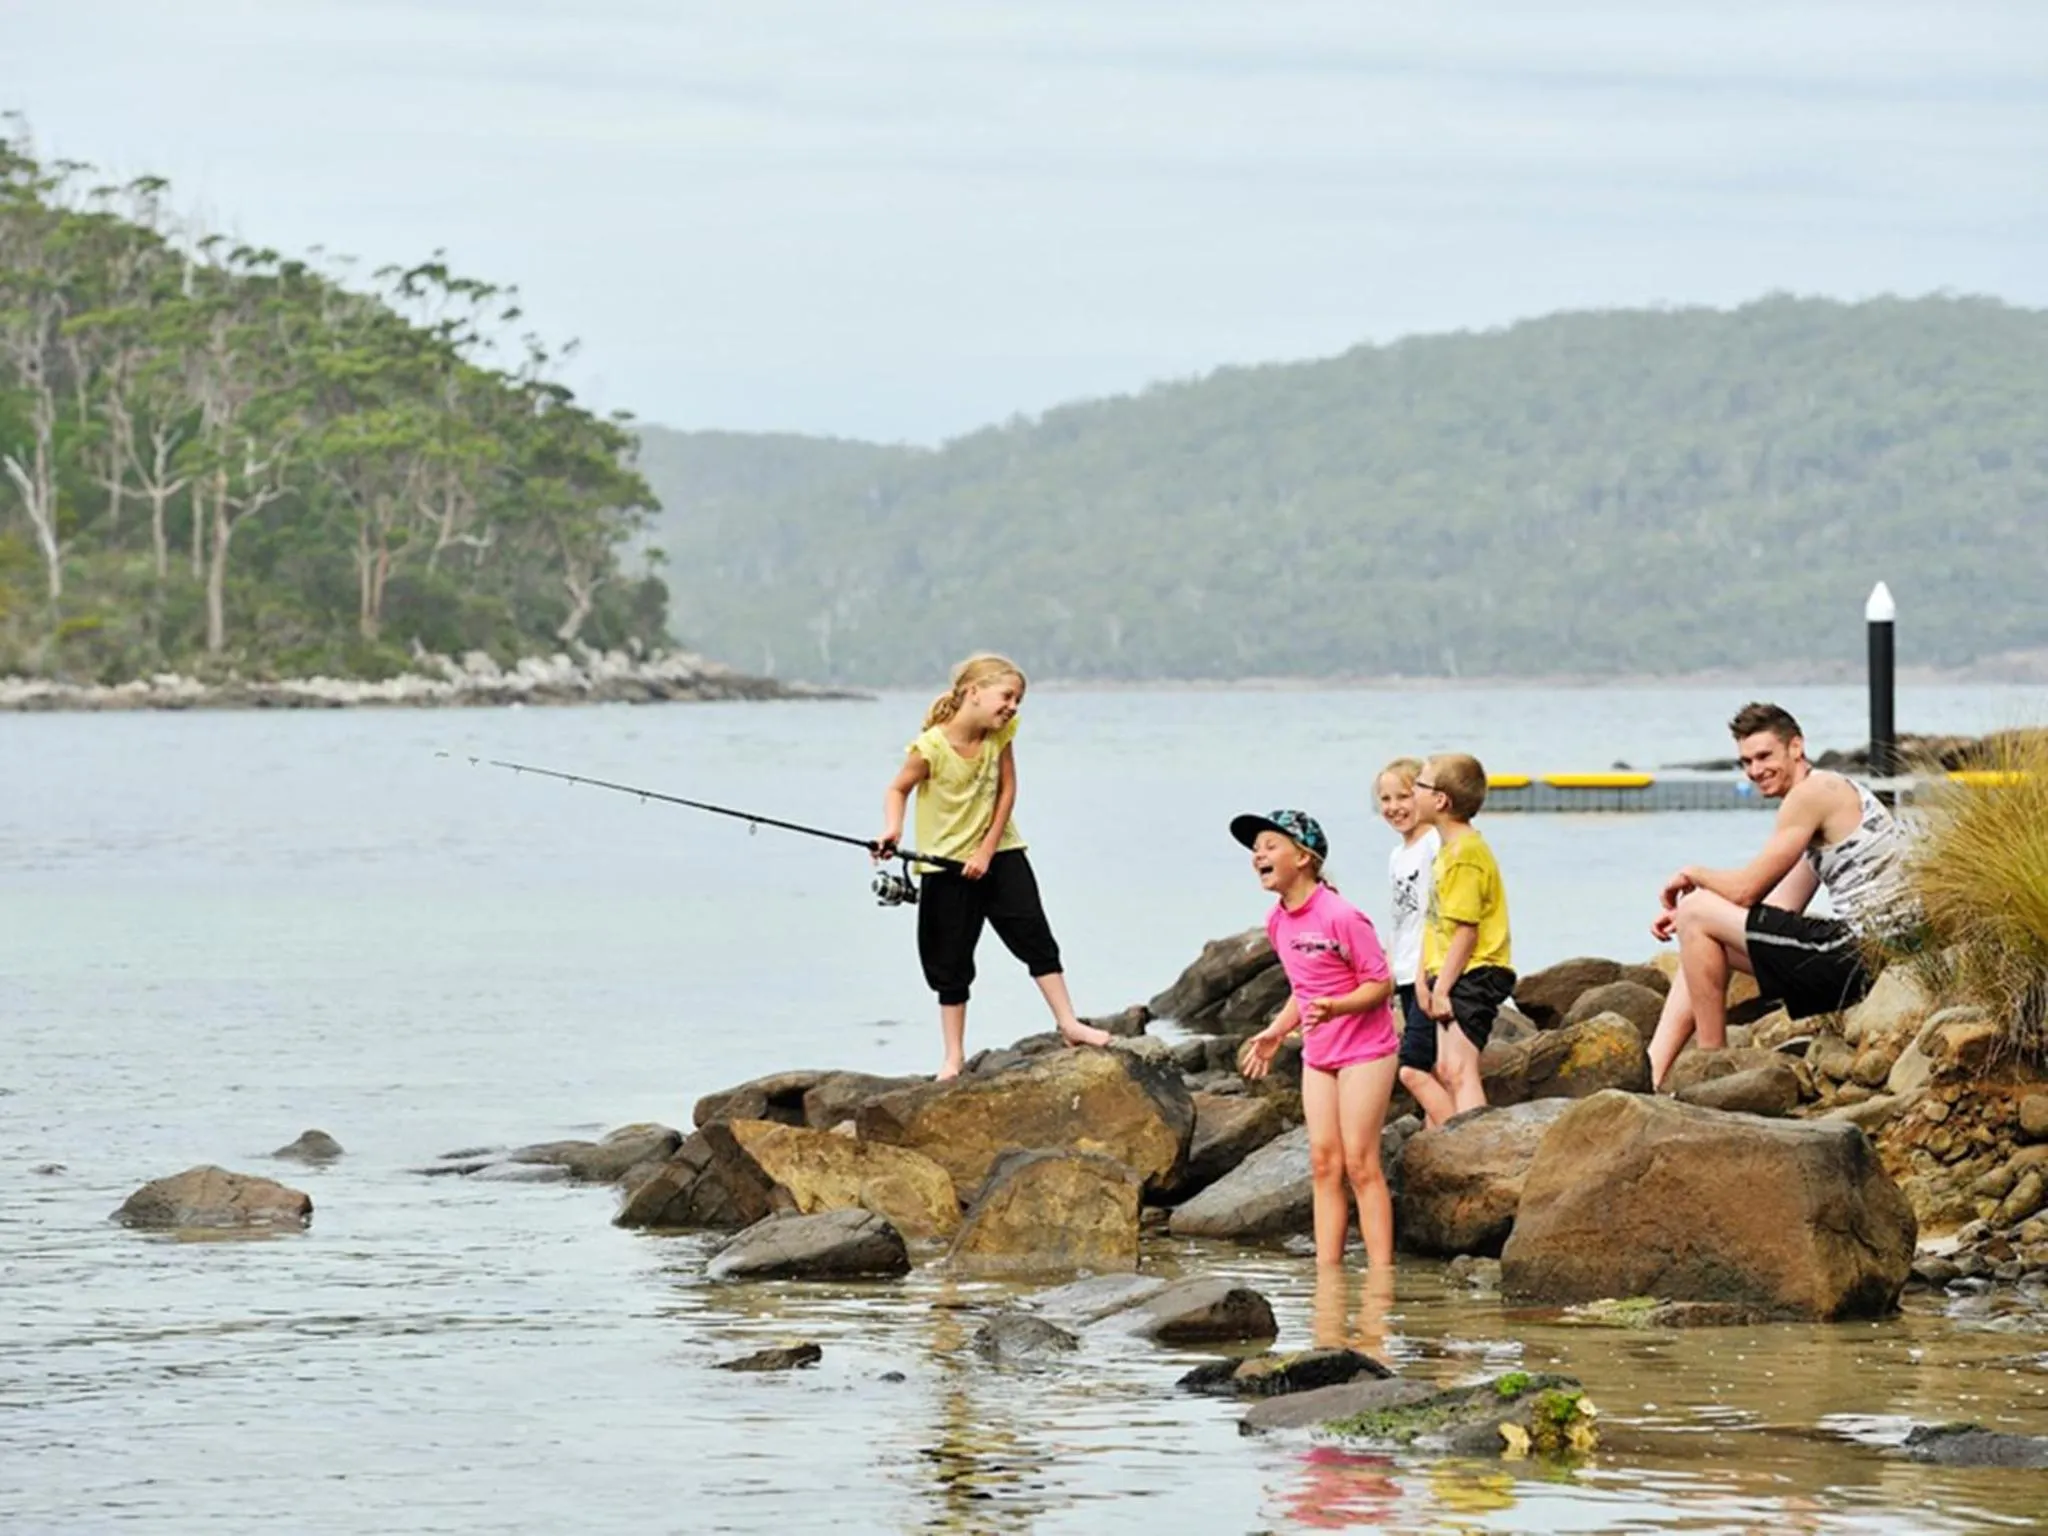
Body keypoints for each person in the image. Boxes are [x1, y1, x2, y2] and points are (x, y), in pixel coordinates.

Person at [1646, 701, 1918, 1090]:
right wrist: (1697, 922)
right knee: (1699, 931)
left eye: (1763, 756)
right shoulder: (1827, 797)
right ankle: (1653, 1073)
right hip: (1872, 958)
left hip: (1866, 954)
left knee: (1696, 911)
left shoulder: (1811, 795)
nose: (1755, 770)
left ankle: (1712, 1067)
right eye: (1746, 762)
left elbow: (1745, 889)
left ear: (1795, 747)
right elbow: (1777, 910)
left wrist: (1694, 877)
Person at [875, 653, 1111, 1080]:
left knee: (1035, 936)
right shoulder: (930, 748)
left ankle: (1069, 1023)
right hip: (944, 867)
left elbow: (1007, 791)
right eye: (1007, 697)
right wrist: (892, 831)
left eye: (1018, 700)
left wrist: (986, 850)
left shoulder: (1000, 735)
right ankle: (953, 1058)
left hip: (1001, 853)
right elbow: (898, 789)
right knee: (949, 964)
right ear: (973, 692)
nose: (1012, 707)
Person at [1234, 810, 1400, 1271]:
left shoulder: (1342, 916)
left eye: (1269, 845)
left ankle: (1380, 1278)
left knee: (1360, 1162)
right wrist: (1276, 1030)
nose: (1258, 855)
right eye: (1255, 848)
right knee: (1324, 1163)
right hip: (1320, 1054)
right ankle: (1328, 1276)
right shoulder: (1277, 921)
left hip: (1366, 1052)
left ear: (1304, 857)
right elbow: (1303, 988)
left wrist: (1338, 1007)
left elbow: (1380, 983)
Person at [1413, 754, 1515, 1118]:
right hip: (1452, 972)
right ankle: (1453, 1144)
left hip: (1476, 972)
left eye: (1420, 784)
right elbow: (1434, 923)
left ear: (1440, 800)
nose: (1412, 789)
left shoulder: (1465, 854)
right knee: (1444, 1069)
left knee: (1459, 1068)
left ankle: (1476, 1145)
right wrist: (1424, 981)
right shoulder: (1447, 852)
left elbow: (1466, 933)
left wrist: (1442, 988)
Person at [1379, 758, 1452, 1127]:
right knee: (1434, 1069)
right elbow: (1400, 919)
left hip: (1429, 972)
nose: (1394, 807)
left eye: (1403, 796)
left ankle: (1459, 1137)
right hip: (1406, 974)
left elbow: (1436, 916)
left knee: (1412, 1069)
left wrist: (1425, 976)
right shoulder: (1397, 855)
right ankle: (1436, 1140)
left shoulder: (1434, 844)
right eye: (1385, 799)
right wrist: (1390, 977)